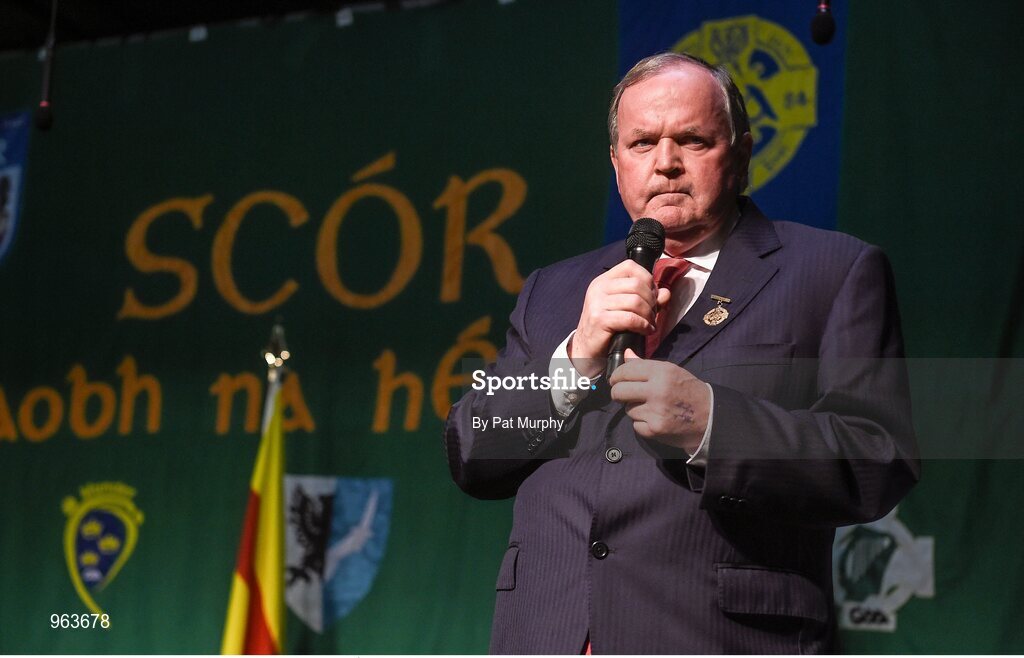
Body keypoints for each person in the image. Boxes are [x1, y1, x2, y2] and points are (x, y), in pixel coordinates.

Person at [444, 52, 919, 654]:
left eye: (691, 140)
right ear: (616, 164)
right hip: (549, 636)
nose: (665, 163)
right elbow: (473, 450)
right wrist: (575, 358)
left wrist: (713, 425)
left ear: (741, 153)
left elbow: (878, 457)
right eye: (642, 143)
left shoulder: (833, 270)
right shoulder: (556, 290)